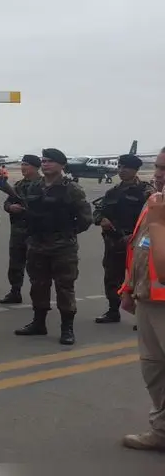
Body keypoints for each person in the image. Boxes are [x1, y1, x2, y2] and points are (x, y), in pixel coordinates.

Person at [15, 148, 93, 345]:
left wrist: (67, 233)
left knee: (64, 287)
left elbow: (85, 218)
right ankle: (38, 323)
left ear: (61, 165)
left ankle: (67, 328)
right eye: (43, 160)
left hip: (62, 246)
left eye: (50, 161)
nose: (45, 164)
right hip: (37, 244)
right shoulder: (34, 187)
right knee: (38, 285)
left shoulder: (72, 189)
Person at [119, 147, 165, 451]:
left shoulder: (158, 209)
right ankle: (161, 430)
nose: (159, 173)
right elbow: (139, 246)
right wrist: (129, 288)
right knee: (153, 368)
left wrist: (160, 221)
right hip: (148, 297)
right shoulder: (155, 202)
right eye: (159, 167)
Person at [92, 154, 153, 323]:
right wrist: (100, 219)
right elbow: (98, 211)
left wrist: (136, 236)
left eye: (126, 167)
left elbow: (154, 217)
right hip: (115, 242)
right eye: (119, 167)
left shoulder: (146, 191)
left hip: (138, 243)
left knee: (141, 279)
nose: (121, 170)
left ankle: (142, 316)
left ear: (135, 170)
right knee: (112, 276)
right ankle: (113, 310)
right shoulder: (112, 192)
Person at [0, 155, 41, 305]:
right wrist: (11, 207)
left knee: (35, 266)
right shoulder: (19, 185)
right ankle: (15, 291)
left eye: (26, 165)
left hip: (35, 232)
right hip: (17, 231)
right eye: (22, 164)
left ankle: (38, 296)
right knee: (15, 263)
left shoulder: (43, 185)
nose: (23, 167)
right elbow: (7, 203)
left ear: (36, 167)